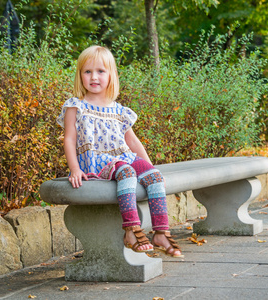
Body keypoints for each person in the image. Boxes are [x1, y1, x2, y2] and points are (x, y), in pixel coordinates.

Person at [56, 45, 183, 258]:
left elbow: (131, 141)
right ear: (80, 76)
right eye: (87, 72)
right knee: (126, 172)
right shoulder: (76, 106)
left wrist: (148, 165)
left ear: (111, 75)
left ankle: (161, 232)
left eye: (100, 71)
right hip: (96, 161)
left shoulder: (119, 110)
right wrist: (75, 169)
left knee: (154, 176)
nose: (93, 77)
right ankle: (131, 230)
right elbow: (69, 138)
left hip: (121, 156)